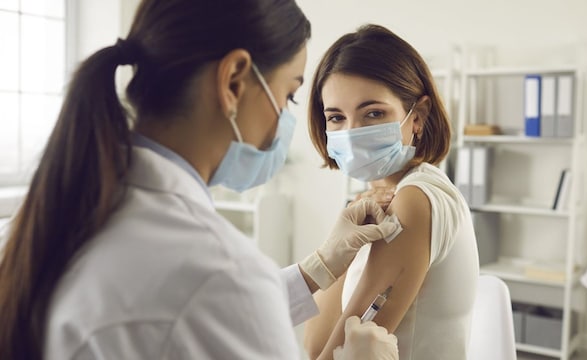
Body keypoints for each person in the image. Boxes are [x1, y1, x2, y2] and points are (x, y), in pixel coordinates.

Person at [0, 2, 401, 359]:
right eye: (289, 95)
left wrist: (318, 266)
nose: (285, 117)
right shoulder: (221, 274)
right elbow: (214, 304)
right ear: (233, 82)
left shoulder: (37, 223)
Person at [304, 24, 480, 359]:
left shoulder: (415, 199)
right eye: (337, 117)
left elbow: (336, 353)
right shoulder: (368, 205)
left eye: (373, 113)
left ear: (418, 116)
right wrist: (336, 252)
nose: (352, 132)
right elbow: (314, 345)